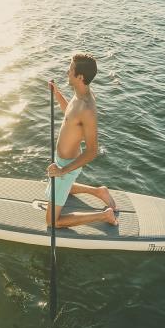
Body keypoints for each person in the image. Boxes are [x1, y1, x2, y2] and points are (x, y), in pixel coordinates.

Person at [45, 53, 118, 228]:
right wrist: (57, 93)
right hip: (62, 161)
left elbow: (92, 150)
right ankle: (99, 191)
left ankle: (104, 215)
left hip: (67, 164)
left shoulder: (87, 108)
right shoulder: (80, 93)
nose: (66, 73)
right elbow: (70, 115)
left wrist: (63, 170)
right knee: (64, 186)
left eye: (70, 70)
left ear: (80, 76)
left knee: (51, 222)